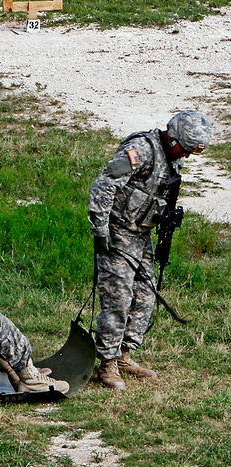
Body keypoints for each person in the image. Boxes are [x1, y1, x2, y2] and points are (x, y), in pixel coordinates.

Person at [88, 110, 213, 389]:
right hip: (118, 233)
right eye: (186, 148)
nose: (188, 156)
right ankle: (106, 364)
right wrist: (100, 230)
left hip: (141, 235)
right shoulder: (141, 150)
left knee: (145, 295)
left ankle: (123, 355)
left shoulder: (172, 159)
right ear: (173, 138)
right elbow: (104, 184)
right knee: (117, 299)